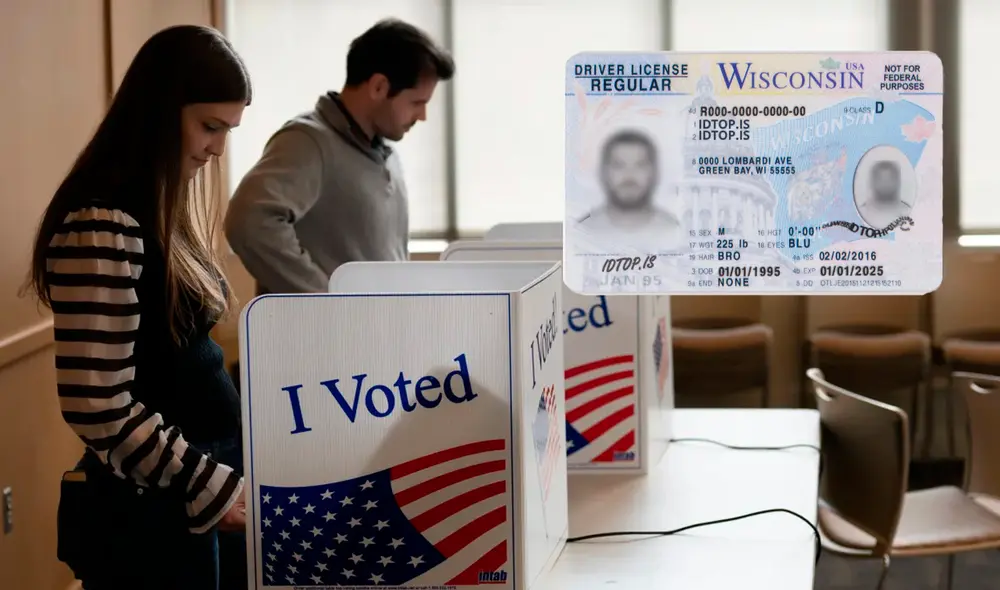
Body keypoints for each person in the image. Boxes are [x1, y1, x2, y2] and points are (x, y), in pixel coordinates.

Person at [23, 25, 251, 590]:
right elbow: (98, 405)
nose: (218, 147)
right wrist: (206, 481)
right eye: (209, 126)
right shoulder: (102, 223)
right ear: (158, 112)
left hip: (185, 495)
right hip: (153, 510)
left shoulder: (155, 206)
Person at [225, 18, 455, 295]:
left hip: (375, 332)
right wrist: (328, 300)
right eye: (417, 102)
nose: (423, 116)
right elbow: (248, 223)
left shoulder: (385, 152)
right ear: (379, 86)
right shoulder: (308, 142)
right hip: (327, 335)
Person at [575, 129, 683, 252]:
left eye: (640, 165)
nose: (629, 176)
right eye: (618, 165)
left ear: (654, 172)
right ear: (604, 172)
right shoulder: (583, 232)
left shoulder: (673, 230)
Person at [857, 159, 912, 228]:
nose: (885, 184)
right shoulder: (862, 212)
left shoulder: (907, 212)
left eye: (890, 179)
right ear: (873, 182)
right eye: (881, 179)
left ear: (897, 182)